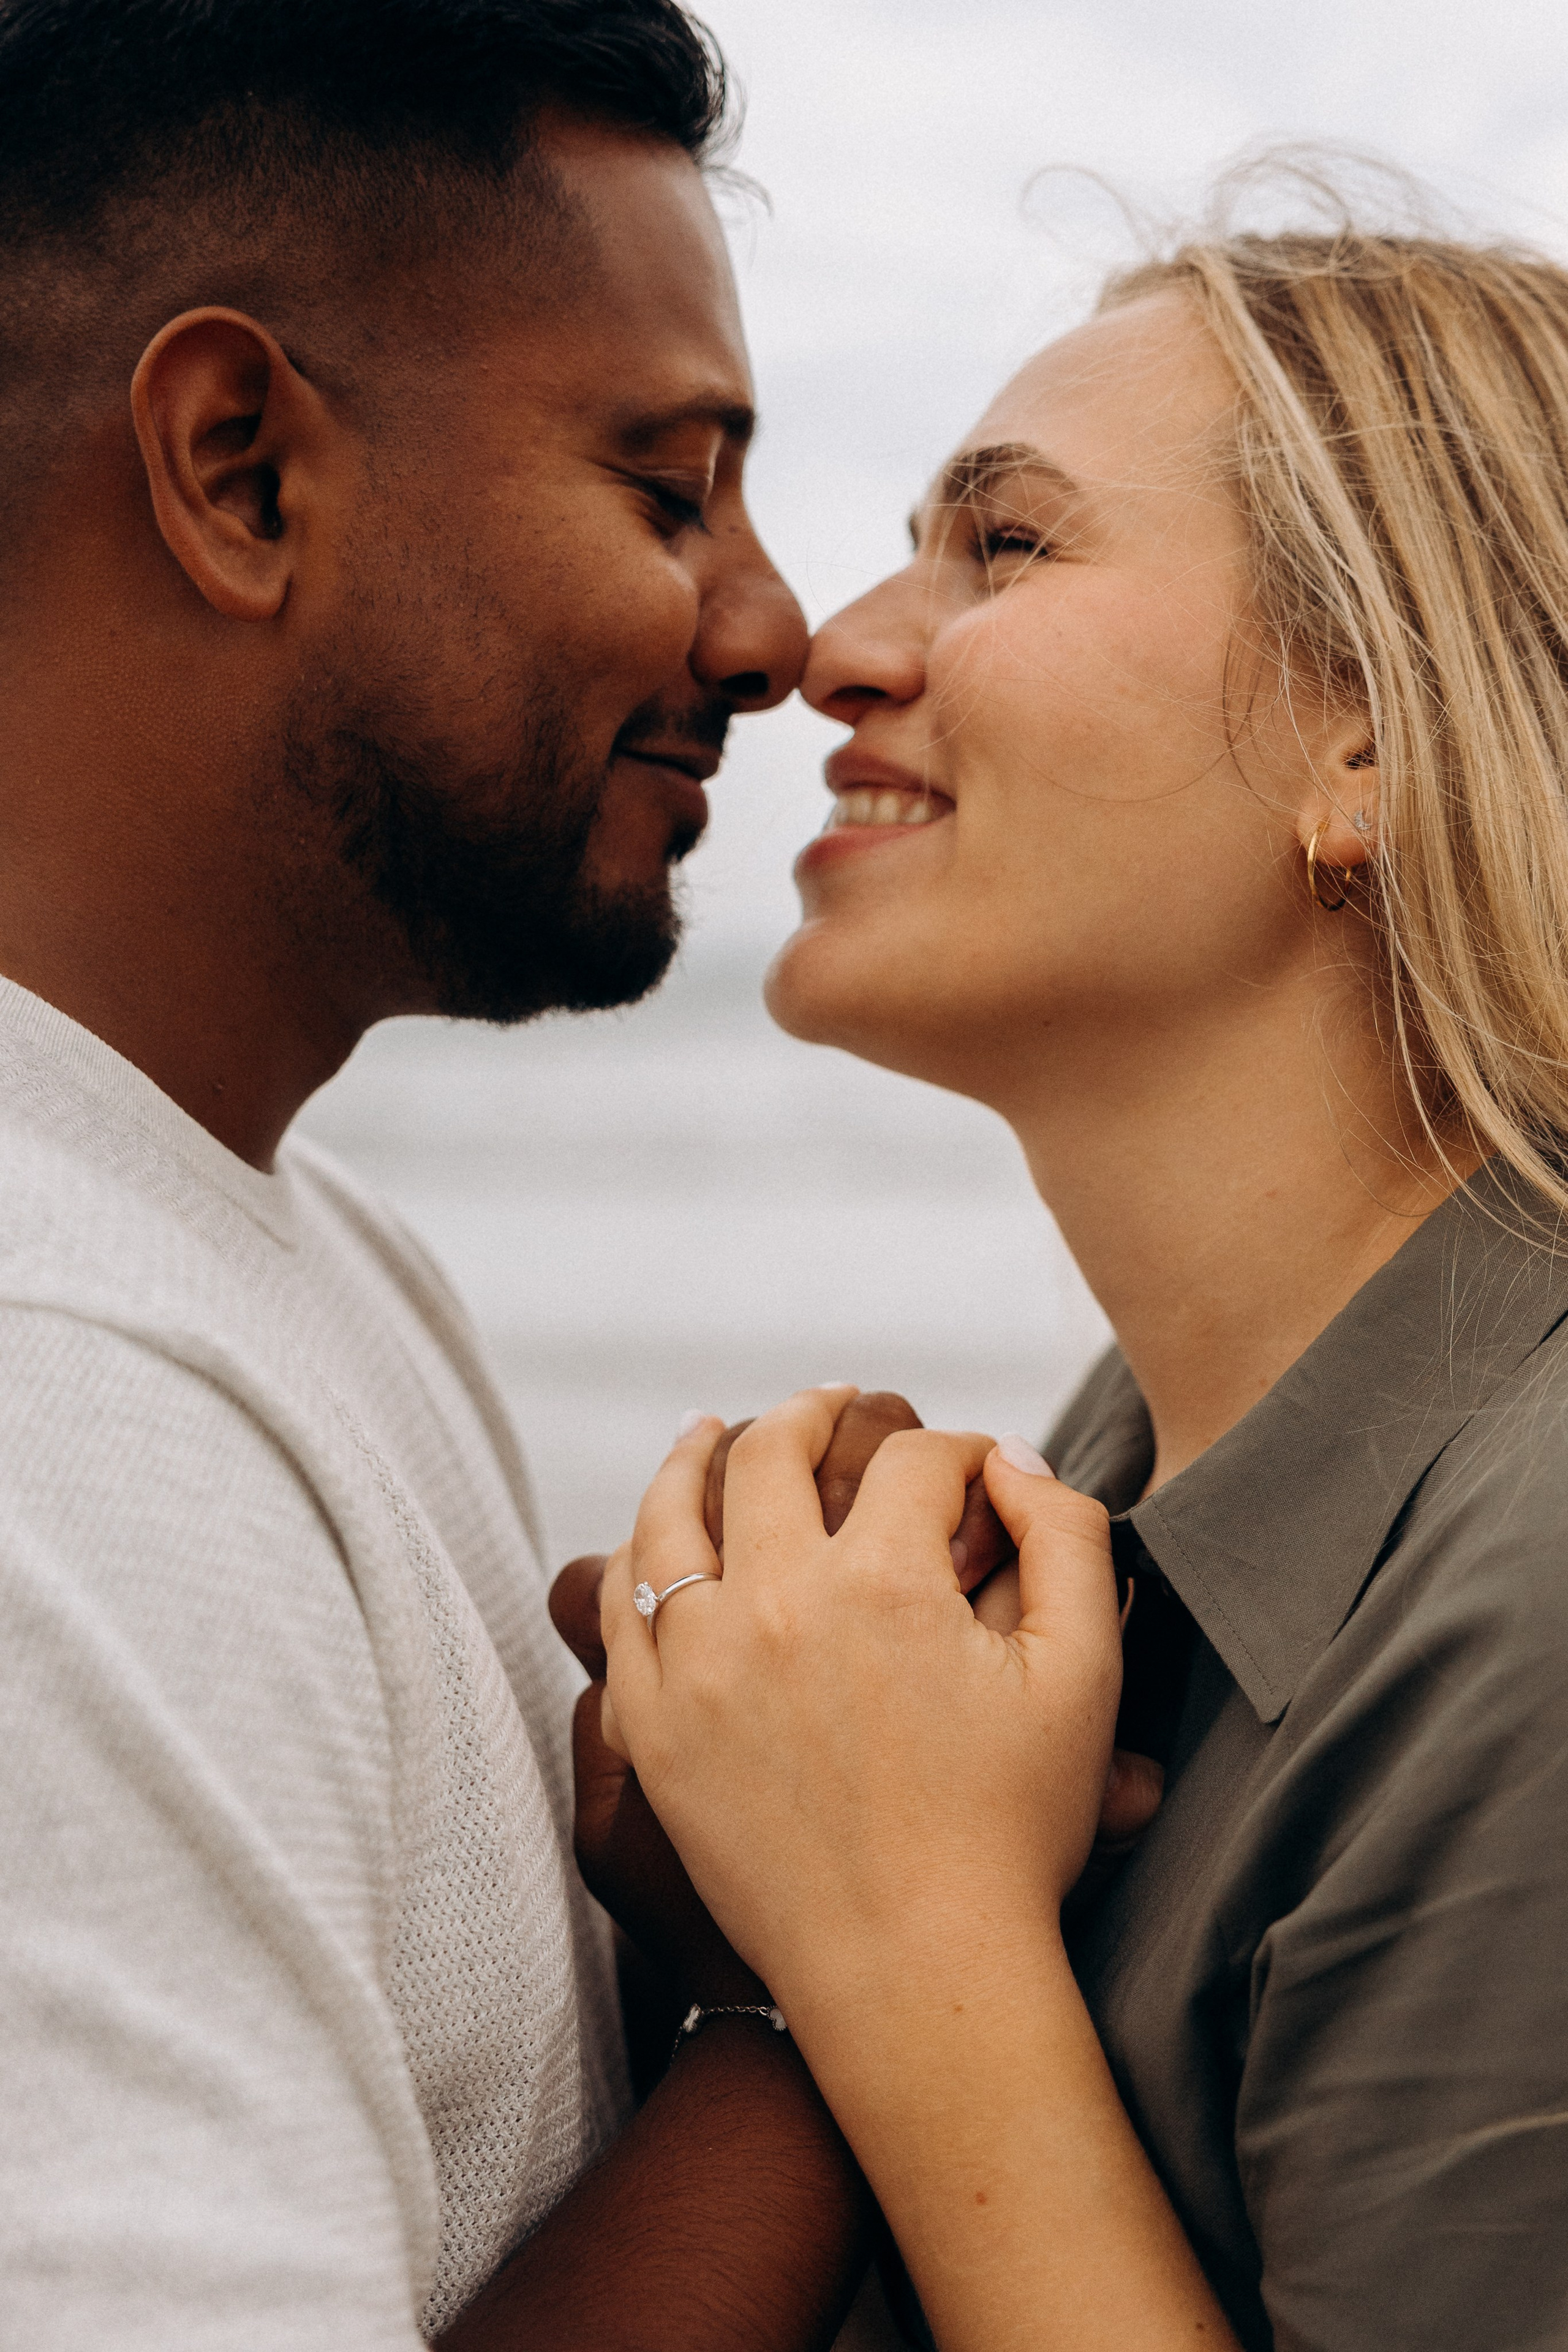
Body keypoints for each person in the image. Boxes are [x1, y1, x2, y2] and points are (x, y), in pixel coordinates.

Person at [0, 1, 903, 2343]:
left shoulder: (284, 1249)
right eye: (666, 485)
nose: (776, 630)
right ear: (240, 470)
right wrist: (835, 1976)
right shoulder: (48, 1384)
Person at [601, 214, 1568, 2351]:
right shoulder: (1146, 1440)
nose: (832, 647)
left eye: (1006, 547)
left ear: (1375, 743)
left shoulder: (1545, 1593)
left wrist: (893, 1938)